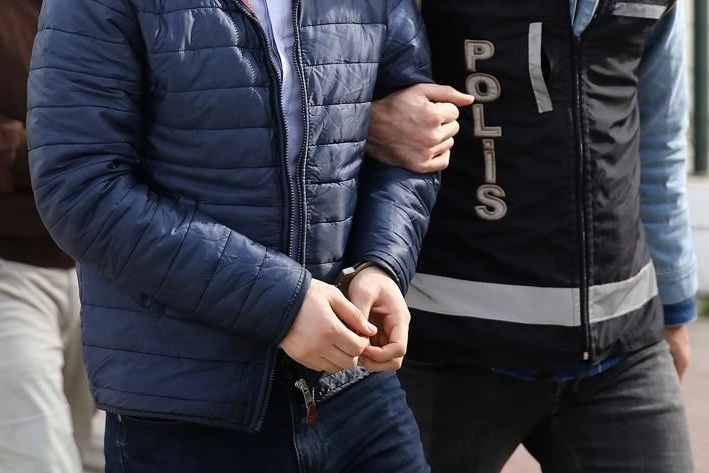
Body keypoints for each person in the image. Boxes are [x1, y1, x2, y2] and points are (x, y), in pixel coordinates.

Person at [26, 0, 457, 471]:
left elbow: (415, 136)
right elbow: (81, 191)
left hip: (356, 390)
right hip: (187, 409)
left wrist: (380, 263)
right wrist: (283, 304)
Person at [367, 1, 697, 472]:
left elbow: (660, 140)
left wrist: (676, 307)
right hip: (445, 352)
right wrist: (367, 122)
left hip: (623, 352)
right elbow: (315, 78)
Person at [0, 1, 101, 472]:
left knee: (94, 449)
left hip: (97, 268)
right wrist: (59, 155)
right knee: (41, 460)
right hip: (9, 270)